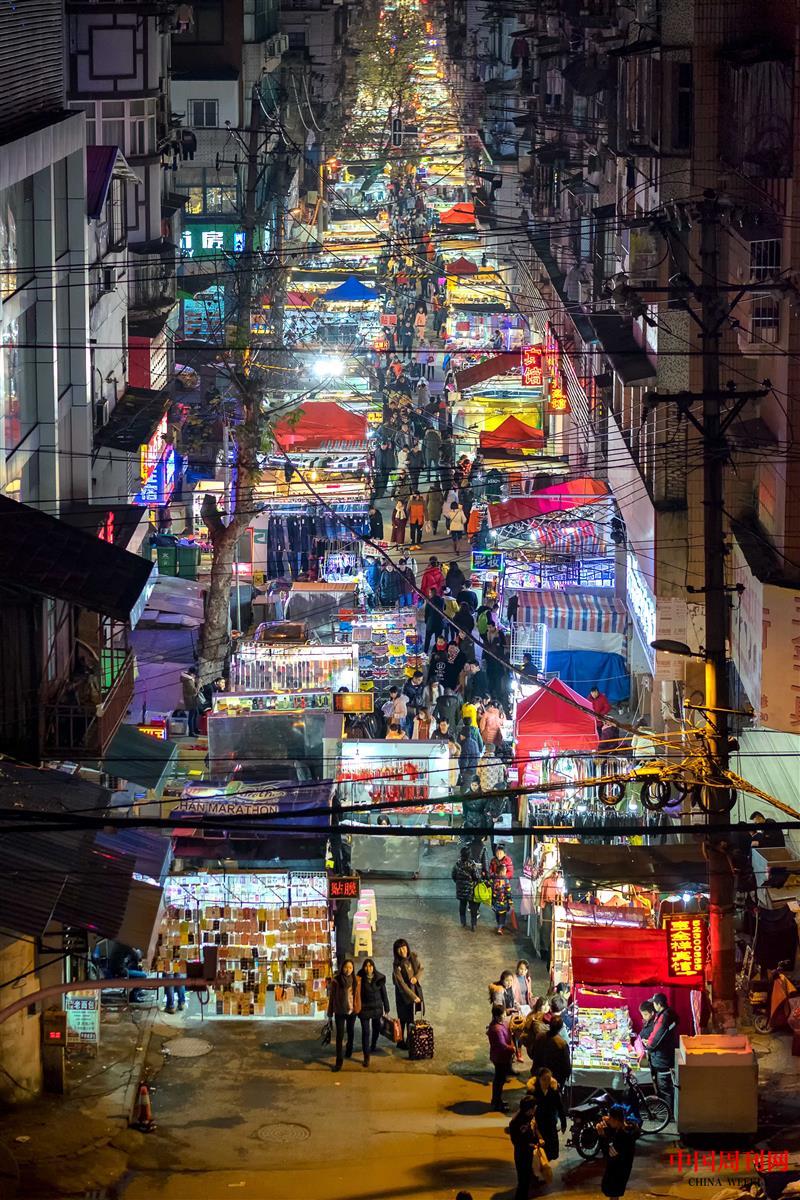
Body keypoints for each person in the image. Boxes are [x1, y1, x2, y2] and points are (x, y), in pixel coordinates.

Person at [640, 992, 678, 1115]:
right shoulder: (667, 1014)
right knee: (666, 1086)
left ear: (659, 1004)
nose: (653, 1006)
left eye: (654, 1003)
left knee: (664, 1087)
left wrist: (648, 1045)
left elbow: (657, 1037)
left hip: (662, 1058)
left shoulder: (664, 1017)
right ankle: (668, 1110)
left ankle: (668, 1112)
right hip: (665, 1055)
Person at [596, 1105, 639, 1200]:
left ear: (616, 1119)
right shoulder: (625, 1127)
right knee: (614, 1193)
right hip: (622, 1167)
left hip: (618, 1169)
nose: (609, 1120)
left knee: (614, 1192)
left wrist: (602, 1135)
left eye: (611, 1118)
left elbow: (609, 1153)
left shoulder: (623, 1137)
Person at [327, 957, 361, 1071]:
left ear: (353, 968)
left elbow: (359, 996)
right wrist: (330, 1013)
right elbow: (332, 997)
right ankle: (339, 1061)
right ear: (342, 968)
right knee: (339, 1036)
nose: (348, 970)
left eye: (350, 967)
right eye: (346, 967)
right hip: (340, 1011)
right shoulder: (336, 980)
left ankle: (349, 1048)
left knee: (350, 1032)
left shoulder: (356, 980)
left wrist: (358, 1008)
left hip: (352, 1011)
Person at [507, 1095, 542, 1200]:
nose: (535, 1109)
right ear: (529, 1109)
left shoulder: (529, 1117)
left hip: (528, 1153)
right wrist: (529, 1145)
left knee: (526, 1181)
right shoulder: (516, 1122)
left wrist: (539, 1139)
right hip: (521, 1154)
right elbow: (516, 1141)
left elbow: (534, 1129)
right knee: (523, 1182)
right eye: (534, 1107)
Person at [528, 1066, 567, 1161]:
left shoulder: (553, 1091)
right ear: (539, 1079)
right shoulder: (533, 1092)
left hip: (550, 1124)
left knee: (549, 1151)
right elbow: (527, 1109)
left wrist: (563, 1122)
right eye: (544, 1079)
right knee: (537, 1152)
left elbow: (560, 1107)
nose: (546, 1082)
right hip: (538, 1126)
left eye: (548, 1079)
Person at [357, 958, 390, 1067]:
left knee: (376, 1028)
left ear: (373, 967)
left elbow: (384, 994)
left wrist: (387, 1008)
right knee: (366, 1032)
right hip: (364, 1008)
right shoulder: (359, 978)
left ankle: (373, 1045)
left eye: (370, 966)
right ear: (363, 967)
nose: (368, 968)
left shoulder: (379, 978)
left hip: (377, 1008)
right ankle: (366, 1056)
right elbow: (356, 994)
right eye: (366, 966)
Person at [392, 939, 423, 1048]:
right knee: (402, 1018)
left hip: (412, 992)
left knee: (410, 1018)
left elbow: (420, 968)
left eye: (404, 947)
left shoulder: (412, 958)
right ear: (396, 951)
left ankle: (410, 1041)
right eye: (399, 949)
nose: (402, 951)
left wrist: (416, 977)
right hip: (402, 995)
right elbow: (401, 984)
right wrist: (414, 997)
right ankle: (400, 1041)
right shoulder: (397, 966)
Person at [487, 1003, 515, 1112]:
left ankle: (497, 1100)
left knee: (500, 1079)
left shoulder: (498, 1023)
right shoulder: (496, 1029)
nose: (504, 1016)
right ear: (497, 1016)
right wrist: (512, 1048)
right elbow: (502, 1045)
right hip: (500, 1058)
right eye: (502, 1015)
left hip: (501, 1057)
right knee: (499, 1080)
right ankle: (496, 1103)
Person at [534, 1015, 571, 1087]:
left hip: (539, 1071)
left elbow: (534, 1053)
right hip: (555, 1077)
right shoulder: (562, 1044)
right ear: (560, 1028)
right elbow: (566, 1063)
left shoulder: (539, 1036)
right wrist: (567, 1074)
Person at [451, 845, 481, 930]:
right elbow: (477, 877)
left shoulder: (457, 864)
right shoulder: (472, 865)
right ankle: (473, 924)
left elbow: (453, 875)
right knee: (473, 907)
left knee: (462, 905)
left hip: (460, 889)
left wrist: (458, 883)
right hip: (471, 890)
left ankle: (463, 922)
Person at [457, 718, 482, 789]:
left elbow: (464, 761)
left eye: (461, 735)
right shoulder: (474, 742)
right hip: (474, 768)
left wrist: (461, 772)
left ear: (463, 735)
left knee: (466, 789)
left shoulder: (465, 745)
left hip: (468, 772)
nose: (460, 736)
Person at [491, 863, 513, 935]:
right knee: (502, 915)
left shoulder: (494, 879)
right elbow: (508, 891)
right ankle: (500, 927)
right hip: (503, 901)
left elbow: (492, 889)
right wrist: (510, 900)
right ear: (502, 872)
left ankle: (498, 925)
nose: (506, 871)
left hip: (495, 901)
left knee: (497, 913)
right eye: (505, 870)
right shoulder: (505, 880)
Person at [180, 666, 201, 736]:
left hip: (193, 699)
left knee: (195, 713)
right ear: (192, 673)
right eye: (194, 674)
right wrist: (199, 684)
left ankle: (195, 729)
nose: (195, 675)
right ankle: (191, 732)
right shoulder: (188, 680)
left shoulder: (189, 678)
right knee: (192, 715)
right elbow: (193, 691)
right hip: (190, 699)